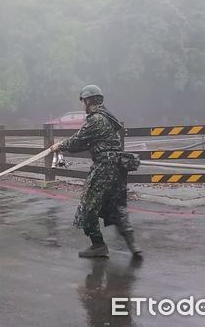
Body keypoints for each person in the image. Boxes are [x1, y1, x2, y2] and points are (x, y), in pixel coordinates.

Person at [50, 85, 142, 258]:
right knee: (116, 206)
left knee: (88, 206)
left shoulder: (96, 120)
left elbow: (78, 141)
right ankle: (132, 244)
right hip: (117, 169)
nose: (82, 106)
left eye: (83, 102)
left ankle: (98, 245)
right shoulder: (107, 118)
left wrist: (58, 146)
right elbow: (85, 142)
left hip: (104, 167)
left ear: (88, 101)